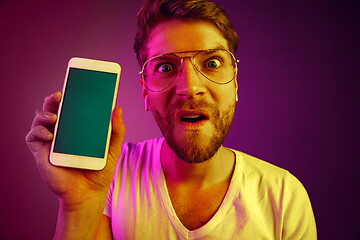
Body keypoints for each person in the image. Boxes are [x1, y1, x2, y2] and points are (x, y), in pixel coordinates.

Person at [25, 0, 317, 239]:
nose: (190, 88)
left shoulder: (284, 197)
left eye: (212, 63)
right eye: (165, 67)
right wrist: (77, 206)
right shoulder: (110, 174)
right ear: (144, 92)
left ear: (235, 82)